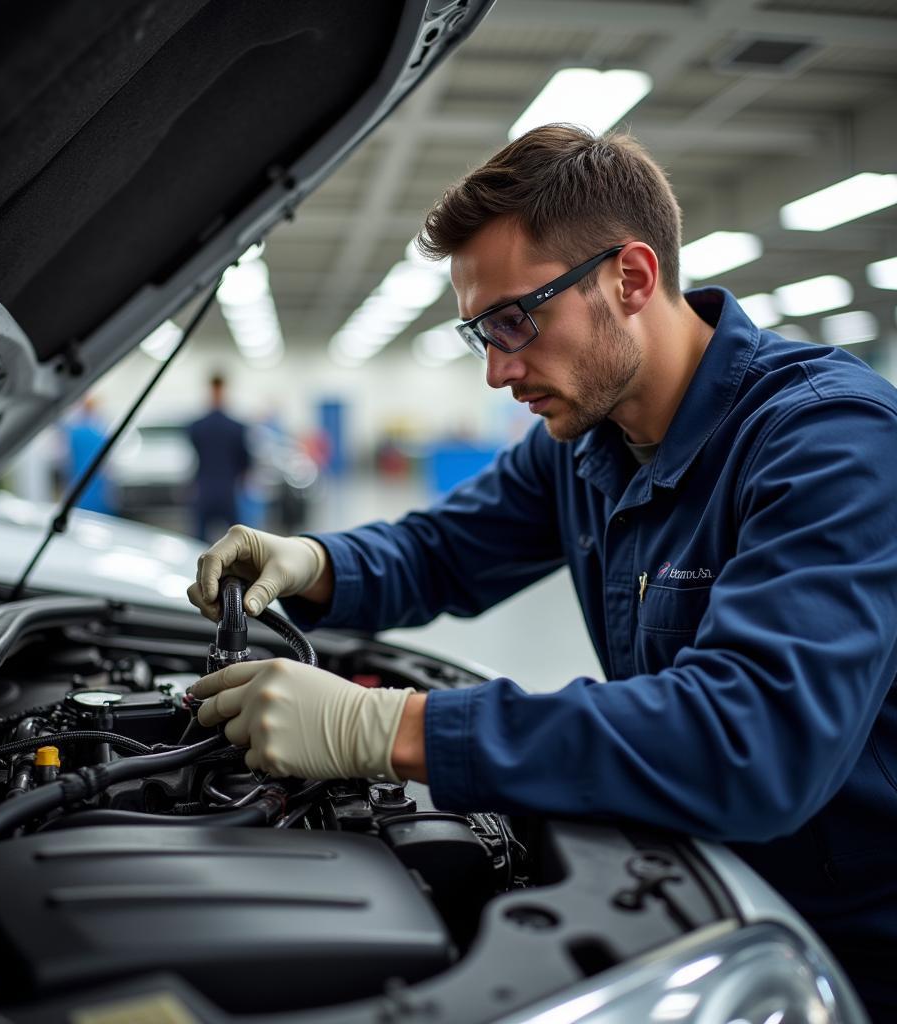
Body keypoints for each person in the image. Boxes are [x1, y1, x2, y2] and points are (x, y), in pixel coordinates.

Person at [185, 126, 897, 1015]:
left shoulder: (830, 443)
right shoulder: (584, 441)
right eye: (479, 332)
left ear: (631, 279)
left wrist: (392, 727)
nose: (495, 370)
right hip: (710, 884)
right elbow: (444, 549)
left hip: (859, 945)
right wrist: (316, 562)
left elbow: (751, 741)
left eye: (516, 321)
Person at [187, 374, 250, 540]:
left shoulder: (197, 427)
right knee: (237, 539)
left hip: (207, 487)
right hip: (226, 488)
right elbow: (245, 460)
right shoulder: (236, 427)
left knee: (200, 540)